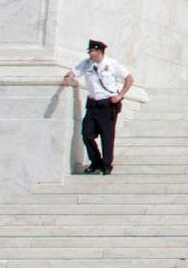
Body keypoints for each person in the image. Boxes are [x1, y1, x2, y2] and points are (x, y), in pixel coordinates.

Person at [58, 39, 136, 176]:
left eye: (92, 51)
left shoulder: (111, 64)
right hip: (93, 105)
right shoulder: (87, 63)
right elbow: (74, 71)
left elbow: (129, 79)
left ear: (99, 51)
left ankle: (106, 165)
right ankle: (96, 162)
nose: (90, 54)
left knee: (107, 137)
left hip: (107, 105)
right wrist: (68, 77)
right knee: (87, 134)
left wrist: (120, 96)